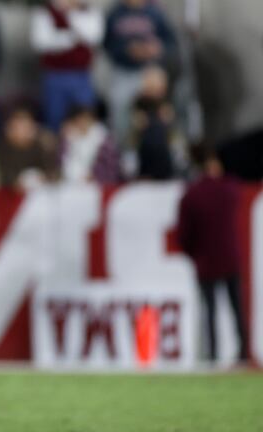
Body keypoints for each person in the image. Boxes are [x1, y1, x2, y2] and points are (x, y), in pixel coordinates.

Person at [176, 150, 248, 362]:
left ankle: (213, 354)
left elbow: (183, 234)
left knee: (210, 311)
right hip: (229, 257)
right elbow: (237, 190)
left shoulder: (192, 195)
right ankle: (243, 352)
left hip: (205, 261)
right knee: (237, 308)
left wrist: (194, 252)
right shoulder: (228, 189)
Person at [103, 0, 176, 149]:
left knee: (156, 115)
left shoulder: (155, 12)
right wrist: (127, 49)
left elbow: (170, 42)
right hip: (123, 71)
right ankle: (122, 154)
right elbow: (107, 44)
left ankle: (159, 153)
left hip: (149, 71)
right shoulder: (115, 13)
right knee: (120, 113)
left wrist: (156, 48)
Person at [30, 0, 104, 131]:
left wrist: (69, 17)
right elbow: (40, 42)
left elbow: (93, 37)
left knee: (85, 116)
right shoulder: (45, 12)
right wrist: (71, 38)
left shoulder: (89, 12)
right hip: (54, 75)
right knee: (54, 117)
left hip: (82, 75)